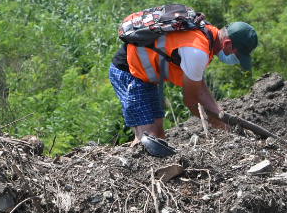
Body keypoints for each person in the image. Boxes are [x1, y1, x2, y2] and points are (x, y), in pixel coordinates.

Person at [109, 14, 258, 156]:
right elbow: (193, 102)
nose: (236, 61)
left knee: (158, 137)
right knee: (148, 139)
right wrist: (225, 128)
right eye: (238, 55)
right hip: (129, 72)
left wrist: (224, 119)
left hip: (145, 77)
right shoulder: (197, 51)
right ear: (227, 44)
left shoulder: (206, 32)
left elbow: (200, 87)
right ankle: (130, 171)